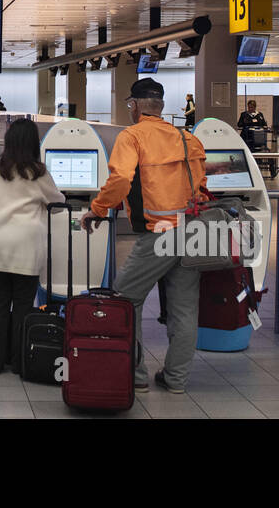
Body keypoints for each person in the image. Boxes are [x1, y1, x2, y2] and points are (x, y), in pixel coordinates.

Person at [80, 77, 207, 394]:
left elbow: (121, 179)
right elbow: (205, 186)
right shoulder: (188, 138)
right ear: (161, 107)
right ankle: (176, 379)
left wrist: (98, 209)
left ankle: (135, 375)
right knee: (184, 309)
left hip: (160, 232)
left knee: (124, 300)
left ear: (134, 106)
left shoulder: (132, 136)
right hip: (194, 228)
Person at [0, 118, 64, 375]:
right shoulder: (39, 172)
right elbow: (58, 203)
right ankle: (20, 361)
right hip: (26, 246)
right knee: (23, 305)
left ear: (8, 140)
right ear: (34, 143)